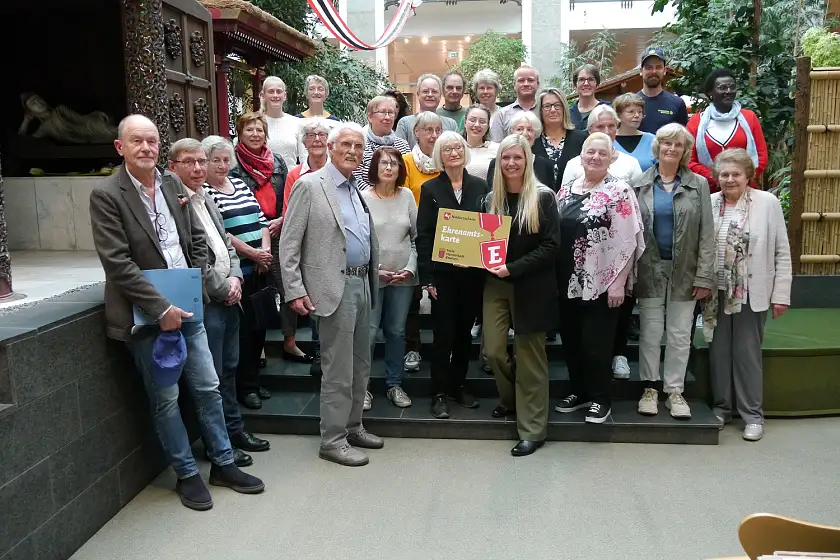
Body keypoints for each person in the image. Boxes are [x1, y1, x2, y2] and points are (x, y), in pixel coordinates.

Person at [90, 115, 264, 511]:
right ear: (121, 148)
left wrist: (195, 285)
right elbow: (117, 264)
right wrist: (160, 307)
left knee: (208, 386)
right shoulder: (107, 195)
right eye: (137, 141)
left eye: (152, 140)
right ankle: (186, 474)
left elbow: (197, 238)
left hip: (189, 304)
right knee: (166, 399)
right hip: (145, 316)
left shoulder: (171, 185)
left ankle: (222, 463)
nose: (146, 148)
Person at [279, 122, 384, 466]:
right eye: (347, 145)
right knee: (337, 369)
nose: (353, 151)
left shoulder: (355, 187)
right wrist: (294, 289)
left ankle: (353, 427)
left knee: (361, 365)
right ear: (331, 146)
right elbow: (289, 243)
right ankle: (333, 440)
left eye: (358, 146)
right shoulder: (310, 186)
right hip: (332, 290)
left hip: (363, 285)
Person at [168, 138, 271, 467]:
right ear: (172, 167)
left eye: (201, 161)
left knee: (228, 369)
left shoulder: (205, 197)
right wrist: (221, 285)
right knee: (208, 377)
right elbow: (191, 256)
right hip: (207, 299)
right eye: (191, 162)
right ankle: (217, 442)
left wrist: (237, 277)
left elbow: (224, 243)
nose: (199, 168)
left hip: (230, 294)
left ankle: (233, 430)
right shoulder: (175, 202)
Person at [554, 132, 645, 424]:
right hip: (566, 281)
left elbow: (630, 238)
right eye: (590, 152)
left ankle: (600, 399)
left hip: (602, 283)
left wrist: (619, 282)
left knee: (597, 343)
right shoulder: (566, 190)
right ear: (580, 155)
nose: (594, 157)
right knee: (572, 341)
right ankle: (579, 393)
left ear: (611, 158)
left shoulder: (620, 191)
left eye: (601, 154)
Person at [703, 148, 791, 442]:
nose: (730, 179)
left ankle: (753, 415)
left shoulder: (767, 203)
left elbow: (781, 251)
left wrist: (781, 295)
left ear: (748, 176)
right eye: (724, 174)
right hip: (715, 292)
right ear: (717, 177)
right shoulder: (711, 202)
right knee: (718, 354)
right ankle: (722, 408)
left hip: (751, 292)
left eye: (736, 174)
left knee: (747, 354)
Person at [482, 134, 560, 456]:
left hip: (531, 285)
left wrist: (513, 268)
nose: (511, 163)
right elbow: (485, 242)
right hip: (496, 284)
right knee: (495, 351)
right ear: (498, 162)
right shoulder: (491, 200)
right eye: (505, 158)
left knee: (530, 358)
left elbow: (552, 246)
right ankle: (512, 401)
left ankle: (533, 429)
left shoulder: (543, 198)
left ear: (528, 160)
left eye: (517, 157)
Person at [229, 112, 311, 408]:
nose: (254, 134)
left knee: (274, 298)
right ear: (240, 132)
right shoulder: (233, 164)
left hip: (276, 232)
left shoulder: (276, 161)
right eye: (248, 129)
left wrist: (279, 222)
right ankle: (248, 378)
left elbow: (286, 197)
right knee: (249, 318)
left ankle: (268, 359)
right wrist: (258, 249)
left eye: (259, 129)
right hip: (244, 246)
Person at [633, 124, 715, 418]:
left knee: (680, 334)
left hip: (686, 270)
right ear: (657, 147)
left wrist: (705, 275)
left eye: (677, 144)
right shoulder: (639, 183)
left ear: (684, 150)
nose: (671, 148)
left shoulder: (698, 184)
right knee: (652, 331)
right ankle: (650, 388)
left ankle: (675, 391)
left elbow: (707, 234)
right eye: (666, 143)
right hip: (650, 269)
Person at [416, 131, 488, 419]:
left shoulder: (481, 186)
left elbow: (487, 228)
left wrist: (477, 258)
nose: (454, 152)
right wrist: (428, 278)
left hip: (473, 275)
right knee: (443, 334)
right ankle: (439, 392)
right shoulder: (431, 189)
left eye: (458, 147)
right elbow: (424, 235)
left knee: (463, 336)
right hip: (443, 276)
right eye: (447, 149)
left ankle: (458, 386)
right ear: (440, 155)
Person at [203, 135, 275, 412]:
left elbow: (261, 221)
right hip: (236, 274)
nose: (222, 165)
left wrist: (265, 253)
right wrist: (253, 254)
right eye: (215, 160)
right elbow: (224, 234)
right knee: (243, 334)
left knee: (259, 330)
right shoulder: (207, 193)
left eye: (225, 160)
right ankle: (245, 389)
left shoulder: (240, 184)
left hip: (260, 267)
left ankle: (253, 381)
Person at [362, 147, 417, 409]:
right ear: (374, 168)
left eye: (394, 164)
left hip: (403, 277)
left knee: (396, 331)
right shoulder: (363, 198)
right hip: (372, 276)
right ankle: (363, 388)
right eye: (384, 163)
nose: (389, 168)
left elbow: (417, 238)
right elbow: (358, 242)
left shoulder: (407, 196)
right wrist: (376, 270)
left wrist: (411, 268)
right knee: (369, 332)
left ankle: (395, 385)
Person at [401, 111, 443, 375]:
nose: (433, 135)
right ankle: (412, 348)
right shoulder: (405, 162)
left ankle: (443, 348)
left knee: (443, 298)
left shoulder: (447, 161)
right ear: (416, 132)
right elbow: (403, 197)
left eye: (437, 129)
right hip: (413, 238)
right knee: (412, 299)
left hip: (444, 240)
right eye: (427, 129)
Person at [687, 68, 769, 191]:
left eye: (732, 87)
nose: (728, 91)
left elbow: (761, 156)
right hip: (707, 191)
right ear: (710, 92)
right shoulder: (696, 122)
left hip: (745, 189)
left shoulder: (749, 118)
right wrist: (717, 178)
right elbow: (688, 160)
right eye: (722, 87)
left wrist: (742, 178)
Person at [532, 87, 587, 190]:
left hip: (573, 201)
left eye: (557, 105)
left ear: (564, 108)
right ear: (540, 110)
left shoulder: (581, 139)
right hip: (539, 201)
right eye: (547, 106)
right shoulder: (532, 141)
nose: (553, 110)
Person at [487, 111, 555, 191]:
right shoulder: (497, 163)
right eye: (519, 129)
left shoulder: (545, 165)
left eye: (530, 130)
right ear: (512, 132)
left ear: (535, 134)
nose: (525, 133)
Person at [355, 95, 411, 191]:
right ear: (370, 117)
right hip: (366, 200)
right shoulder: (359, 143)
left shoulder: (403, 145)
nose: (387, 117)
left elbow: (408, 176)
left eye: (391, 113)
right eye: (383, 112)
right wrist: (376, 196)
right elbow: (355, 178)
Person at [396, 74, 459, 149]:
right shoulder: (405, 123)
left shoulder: (450, 125)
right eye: (425, 91)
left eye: (434, 92)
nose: (430, 95)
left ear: (440, 95)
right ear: (418, 94)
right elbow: (398, 155)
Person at [284, 117, 332, 213]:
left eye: (322, 135)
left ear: (328, 142)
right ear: (304, 143)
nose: (317, 139)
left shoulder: (338, 171)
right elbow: (288, 214)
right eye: (311, 135)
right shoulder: (294, 176)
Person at [637, 48, 688, 133]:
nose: (653, 71)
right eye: (649, 67)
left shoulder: (677, 103)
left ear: (664, 70)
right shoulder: (630, 104)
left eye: (658, 67)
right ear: (641, 71)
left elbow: (682, 139)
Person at [260, 76, 304, 170]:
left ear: (284, 96)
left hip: (291, 180)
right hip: (262, 179)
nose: (275, 95)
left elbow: (304, 158)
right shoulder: (255, 122)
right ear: (263, 95)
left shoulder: (296, 123)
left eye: (279, 91)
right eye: (271, 91)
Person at [490, 64, 540, 142]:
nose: (526, 84)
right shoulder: (502, 115)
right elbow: (495, 147)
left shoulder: (544, 111)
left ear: (538, 84)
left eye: (530, 80)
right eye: (521, 80)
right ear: (514, 85)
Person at [613, 93, 657, 172]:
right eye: (631, 111)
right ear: (619, 115)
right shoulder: (608, 140)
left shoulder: (652, 140)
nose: (637, 115)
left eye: (639, 112)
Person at [463, 104, 499, 181]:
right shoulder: (455, 148)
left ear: (488, 126)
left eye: (482, 122)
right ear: (465, 122)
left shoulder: (497, 149)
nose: (477, 125)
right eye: (472, 120)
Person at [569, 64, 609, 131]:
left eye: (590, 79)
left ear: (597, 83)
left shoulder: (608, 109)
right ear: (575, 85)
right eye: (581, 80)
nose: (586, 83)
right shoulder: (568, 114)